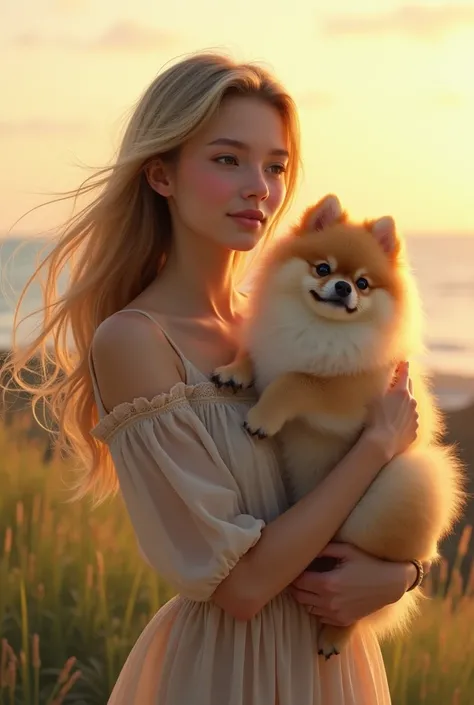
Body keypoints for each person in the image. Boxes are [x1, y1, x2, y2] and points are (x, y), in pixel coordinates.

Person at [2, 52, 426, 704]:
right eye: (228, 159)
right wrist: (375, 443)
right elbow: (244, 586)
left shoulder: (284, 334)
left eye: (276, 166)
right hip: (230, 673)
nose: (259, 186)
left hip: (337, 668)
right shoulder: (137, 339)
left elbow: (388, 496)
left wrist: (402, 574)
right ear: (162, 174)